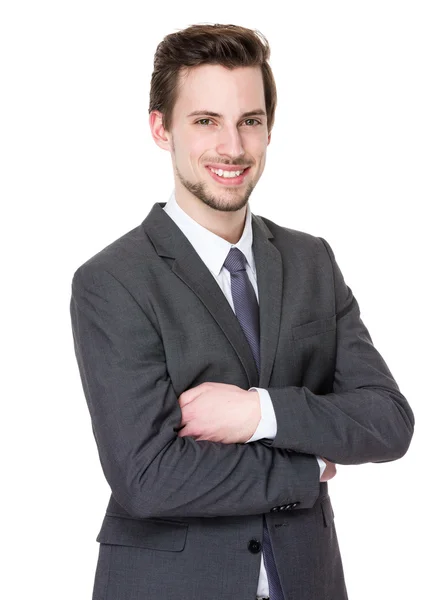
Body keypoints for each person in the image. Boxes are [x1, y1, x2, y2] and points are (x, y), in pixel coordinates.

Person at [70, 23, 415, 600]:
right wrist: (306, 469)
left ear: (268, 128)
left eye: (249, 121)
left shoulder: (311, 260)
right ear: (161, 128)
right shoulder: (112, 281)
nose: (232, 148)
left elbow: (387, 422)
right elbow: (148, 478)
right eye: (206, 121)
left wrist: (261, 414)